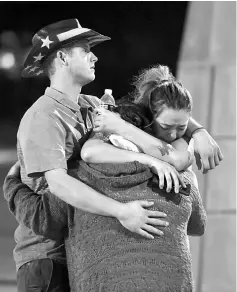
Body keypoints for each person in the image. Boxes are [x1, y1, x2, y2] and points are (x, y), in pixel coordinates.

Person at [3, 17, 219, 291]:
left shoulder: (92, 106)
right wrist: (121, 211)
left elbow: (153, 110)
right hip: (47, 258)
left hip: (82, 250)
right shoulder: (43, 116)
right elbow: (58, 183)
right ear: (61, 57)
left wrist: (198, 132)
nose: (94, 56)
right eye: (85, 49)